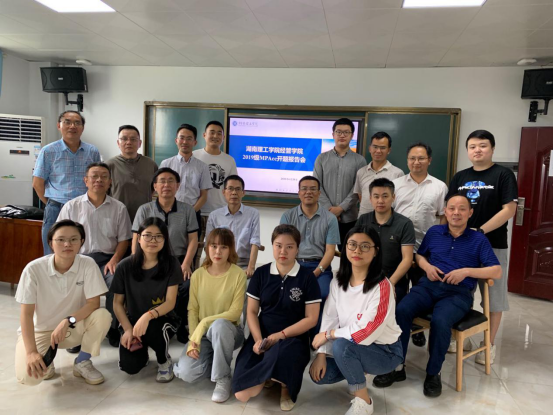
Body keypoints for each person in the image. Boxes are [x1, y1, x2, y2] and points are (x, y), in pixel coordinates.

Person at [373, 194, 501, 397]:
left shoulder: (479, 239)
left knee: (441, 321)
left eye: (461, 209)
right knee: (401, 310)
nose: (456, 213)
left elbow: (496, 270)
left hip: (458, 293)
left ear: (470, 213)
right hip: (428, 286)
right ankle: (396, 365)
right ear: (446, 212)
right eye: (452, 208)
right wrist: (427, 266)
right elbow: (420, 255)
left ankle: (433, 373)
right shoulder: (434, 232)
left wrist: (466, 272)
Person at [310, 226, 403, 415]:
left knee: (342, 347)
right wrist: (321, 354)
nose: (357, 251)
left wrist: (328, 335)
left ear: (376, 251)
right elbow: (329, 316)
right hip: (354, 344)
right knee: (321, 375)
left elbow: (366, 332)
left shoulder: (382, 286)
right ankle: (357, 371)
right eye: (352, 244)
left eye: (365, 246)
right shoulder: (337, 280)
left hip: (385, 351)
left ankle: (364, 401)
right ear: (345, 248)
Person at [446, 130, 517, 365]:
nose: (477, 150)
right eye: (473, 146)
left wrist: (480, 232)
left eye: (483, 145)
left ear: (492, 149)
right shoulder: (460, 177)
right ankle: (463, 337)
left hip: (493, 244)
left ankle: (489, 344)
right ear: (467, 150)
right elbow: (452, 208)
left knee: (493, 298)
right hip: (462, 244)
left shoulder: (503, 175)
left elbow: (509, 210)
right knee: (461, 293)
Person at [233, 224, 322, 411]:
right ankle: (271, 375)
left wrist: (281, 335)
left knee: (281, 354)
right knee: (242, 394)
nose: (283, 251)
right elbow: (251, 312)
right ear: (272, 246)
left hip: (292, 338)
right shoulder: (261, 273)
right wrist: (258, 340)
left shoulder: (307, 277)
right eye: (278, 245)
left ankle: (284, 387)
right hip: (263, 334)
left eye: (289, 247)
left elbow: (311, 319)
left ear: (297, 249)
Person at [15, 220, 111, 386]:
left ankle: (82, 361)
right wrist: (31, 352)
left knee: (103, 315)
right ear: (51, 243)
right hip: (41, 331)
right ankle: (47, 359)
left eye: (74, 239)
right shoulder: (33, 269)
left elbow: (93, 304)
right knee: (29, 377)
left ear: (81, 242)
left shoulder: (87, 264)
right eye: (61, 240)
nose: (67, 244)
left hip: (72, 327)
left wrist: (68, 320)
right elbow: (26, 314)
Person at [57, 162, 132, 348]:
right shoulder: (71, 206)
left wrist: (115, 260)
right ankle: (74, 331)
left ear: (110, 182)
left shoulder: (119, 208)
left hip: (107, 260)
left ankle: (112, 327)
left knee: (115, 282)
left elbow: (124, 239)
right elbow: (60, 236)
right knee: (75, 288)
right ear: (86, 180)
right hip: (79, 260)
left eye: (104, 177)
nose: (99, 180)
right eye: (94, 176)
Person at [173, 228, 247, 403]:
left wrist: (204, 323)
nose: (218, 251)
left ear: (230, 249)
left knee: (219, 325)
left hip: (229, 331)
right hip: (203, 334)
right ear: (207, 248)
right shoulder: (198, 275)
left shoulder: (238, 274)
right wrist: (194, 339)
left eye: (223, 247)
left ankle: (223, 378)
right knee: (185, 373)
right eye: (213, 246)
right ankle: (217, 363)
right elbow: (192, 310)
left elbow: (235, 313)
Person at [112, 217, 182, 382]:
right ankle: (142, 353)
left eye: (158, 236)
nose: (153, 240)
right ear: (139, 238)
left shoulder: (172, 264)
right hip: (133, 320)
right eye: (148, 235)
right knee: (130, 367)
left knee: (152, 327)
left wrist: (147, 316)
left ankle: (164, 361)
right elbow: (117, 303)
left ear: (165, 240)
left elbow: (170, 302)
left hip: (163, 319)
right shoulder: (124, 266)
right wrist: (128, 329)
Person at [133, 167, 198, 343]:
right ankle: (149, 322)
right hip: (150, 259)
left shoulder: (187, 210)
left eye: (171, 181)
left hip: (178, 259)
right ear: (155, 186)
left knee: (187, 286)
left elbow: (193, 240)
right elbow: (136, 238)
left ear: (178, 185)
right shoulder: (144, 209)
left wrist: (186, 264)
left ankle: (181, 324)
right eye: (162, 181)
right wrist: (137, 261)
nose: (166, 185)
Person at [393, 142, 448, 347]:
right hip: (398, 248)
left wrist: (438, 246)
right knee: (398, 290)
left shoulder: (439, 186)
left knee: (421, 290)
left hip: (426, 250)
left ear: (429, 160)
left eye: (421, 158)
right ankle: (397, 330)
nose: (416, 162)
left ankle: (417, 328)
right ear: (407, 160)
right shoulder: (396, 184)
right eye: (412, 158)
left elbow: (442, 217)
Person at [32, 111, 101, 255]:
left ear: (82, 128)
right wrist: (51, 203)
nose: (72, 126)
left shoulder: (92, 151)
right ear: (59, 125)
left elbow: (97, 180)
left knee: (84, 250)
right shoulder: (48, 151)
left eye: (77, 123)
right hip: (56, 208)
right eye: (67, 122)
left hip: (84, 207)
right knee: (53, 252)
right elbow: (37, 183)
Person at [280, 176, 339, 336]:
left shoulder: (330, 218)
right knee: (288, 294)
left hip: (320, 267)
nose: (308, 192)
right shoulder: (288, 216)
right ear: (299, 193)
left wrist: (317, 272)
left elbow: (330, 251)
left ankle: (315, 338)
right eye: (304, 189)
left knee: (322, 294)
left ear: (319, 193)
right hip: (294, 266)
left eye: (313, 189)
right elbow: (284, 247)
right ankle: (290, 336)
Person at [160, 123, 212, 266]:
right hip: (167, 213)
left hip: (192, 214)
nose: (185, 142)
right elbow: (160, 191)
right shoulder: (166, 164)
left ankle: (187, 279)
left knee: (191, 255)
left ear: (195, 142)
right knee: (165, 251)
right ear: (176, 140)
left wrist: (189, 212)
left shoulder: (202, 167)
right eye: (182, 138)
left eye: (189, 138)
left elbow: (203, 196)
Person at [356, 178, 415, 304]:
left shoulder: (405, 224)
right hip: (366, 277)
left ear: (393, 197)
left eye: (385, 196)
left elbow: (407, 259)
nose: (380, 201)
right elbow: (355, 251)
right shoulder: (363, 220)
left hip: (394, 279)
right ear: (370, 198)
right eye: (376, 196)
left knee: (389, 309)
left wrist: (390, 283)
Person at [313, 118, 367, 249]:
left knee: (348, 253)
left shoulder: (360, 161)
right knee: (321, 253)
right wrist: (330, 210)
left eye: (346, 132)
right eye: (339, 132)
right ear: (333, 134)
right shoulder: (321, 158)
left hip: (349, 218)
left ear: (352, 135)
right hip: (324, 216)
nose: (342, 135)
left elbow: (357, 189)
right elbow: (317, 186)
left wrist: (341, 208)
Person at [193, 121, 238, 266]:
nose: (215, 136)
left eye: (219, 133)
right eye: (212, 132)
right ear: (204, 135)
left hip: (220, 213)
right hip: (196, 211)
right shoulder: (194, 156)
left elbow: (233, 187)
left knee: (220, 254)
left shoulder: (229, 160)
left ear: (223, 138)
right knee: (194, 254)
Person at [205, 175, 260, 276]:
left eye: (238, 189)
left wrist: (251, 267)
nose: (234, 192)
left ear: (243, 193)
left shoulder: (253, 214)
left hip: (243, 264)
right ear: (223, 192)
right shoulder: (214, 215)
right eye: (230, 188)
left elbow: (255, 241)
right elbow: (208, 243)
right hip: (220, 263)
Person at [106, 125, 158, 223]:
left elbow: (154, 189)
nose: (128, 142)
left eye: (133, 139)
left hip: (145, 217)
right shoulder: (109, 165)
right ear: (118, 143)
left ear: (140, 143)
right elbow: (104, 193)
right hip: (117, 217)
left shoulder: (150, 164)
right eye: (124, 139)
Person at [354, 131, 404, 217]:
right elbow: (360, 195)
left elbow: (399, 201)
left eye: (382, 148)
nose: (378, 151)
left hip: (387, 221)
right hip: (363, 220)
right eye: (375, 147)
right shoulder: (361, 172)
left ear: (389, 150)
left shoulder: (398, 173)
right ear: (370, 148)